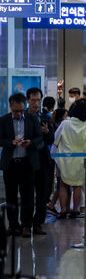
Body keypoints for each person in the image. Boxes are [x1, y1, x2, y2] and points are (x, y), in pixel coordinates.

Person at [0, 93, 44, 237]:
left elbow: (39, 137)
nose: (18, 114)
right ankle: (13, 226)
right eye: (15, 111)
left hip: (27, 163)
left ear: (25, 107)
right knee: (11, 197)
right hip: (11, 164)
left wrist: (31, 143)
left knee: (28, 196)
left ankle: (26, 226)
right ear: (10, 107)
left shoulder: (32, 119)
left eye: (21, 110)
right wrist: (10, 143)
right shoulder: (4, 120)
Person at [53, 98, 86, 219]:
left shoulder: (65, 123)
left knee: (64, 184)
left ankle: (63, 210)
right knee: (77, 186)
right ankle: (75, 210)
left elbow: (56, 139)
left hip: (65, 158)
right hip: (81, 159)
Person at [26, 87, 55, 234]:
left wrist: (47, 132)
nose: (36, 104)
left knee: (43, 193)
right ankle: (26, 224)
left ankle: (38, 223)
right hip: (27, 160)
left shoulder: (45, 117)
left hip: (43, 160)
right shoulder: (22, 117)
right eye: (33, 100)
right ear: (27, 100)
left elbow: (51, 139)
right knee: (28, 193)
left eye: (38, 100)